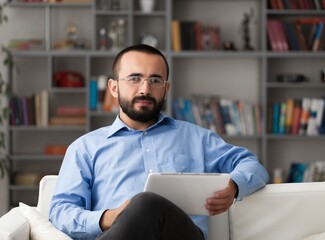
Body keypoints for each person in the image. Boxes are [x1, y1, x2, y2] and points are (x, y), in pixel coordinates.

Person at [49, 44, 269, 240]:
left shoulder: (197, 138)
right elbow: (61, 211)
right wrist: (108, 218)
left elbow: (252, 165)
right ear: (114, 87)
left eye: (155, 80)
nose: (145, 89)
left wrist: (234, 186)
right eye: (134, 78)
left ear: (166, 88)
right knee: (142, 205)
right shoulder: (85, 148)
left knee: (146, 203)